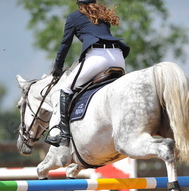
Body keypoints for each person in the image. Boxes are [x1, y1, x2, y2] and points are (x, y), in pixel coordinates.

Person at [45, 0, 130, 147]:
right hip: (118, 56)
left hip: (97, 57)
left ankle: (63, 134)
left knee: (65, 88)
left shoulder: (73, 17)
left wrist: (57, 68)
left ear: (79, 4)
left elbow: (65, 45)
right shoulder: (101, 14)